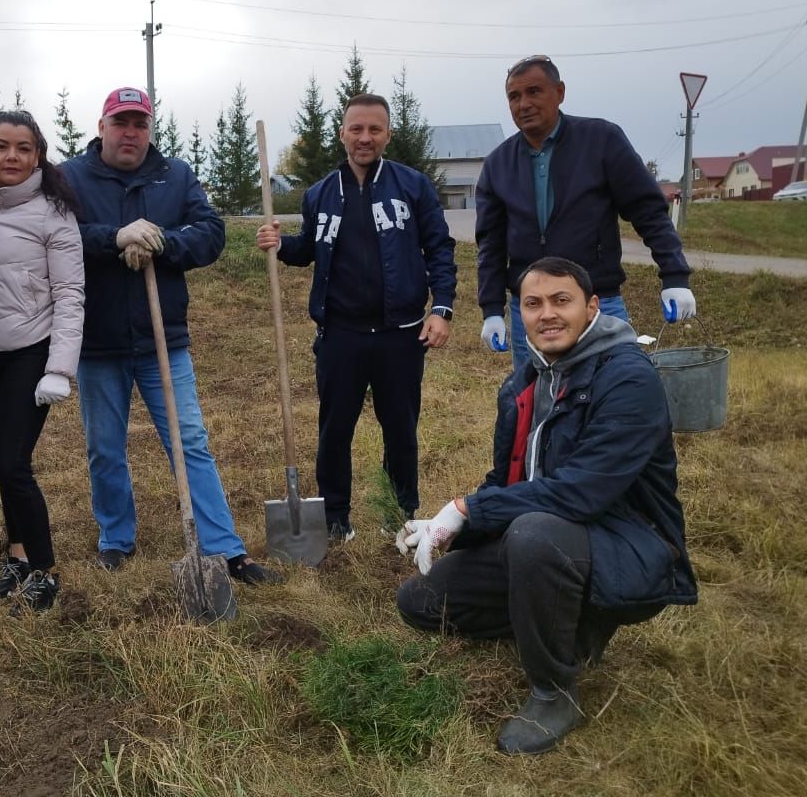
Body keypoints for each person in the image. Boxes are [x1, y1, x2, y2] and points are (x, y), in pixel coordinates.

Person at [395, 256, 697, 755]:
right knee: (421, 602)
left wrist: (467, 508)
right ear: (520, 315)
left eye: (562, 300)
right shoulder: (523, 383)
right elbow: (506, 479)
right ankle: (559, 624)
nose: (547, 314)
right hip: (545, 541)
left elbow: (583, 492)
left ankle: (555, 691)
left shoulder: (627, 377)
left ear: (592, 307)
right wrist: (451, 528)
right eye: (533, 304)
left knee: (535, 532)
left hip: (631, 548)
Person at [60, 86, 280, 584]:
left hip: (165, 338)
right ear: (102, 128)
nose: (130, 133)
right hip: (98, 339)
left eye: (140, 124)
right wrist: (114, 238)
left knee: (190, 442)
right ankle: (116, 538)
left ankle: (224, 548)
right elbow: (60, 236)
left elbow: (211, 232)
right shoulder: (71, 178)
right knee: (104, 446)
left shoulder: (173, 174)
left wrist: (164, 243)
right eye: (121, 123)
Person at [256, 93, 456, 539]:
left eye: (374, 129)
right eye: (357, 129)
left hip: (400, 335)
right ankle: (333, 519)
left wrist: (440, 309)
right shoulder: (320, 193)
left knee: (401, 431)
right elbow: (308, 247)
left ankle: (399, 515)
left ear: (388, 133)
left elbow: (440, 249)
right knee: (334, 433)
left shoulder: (412, 187)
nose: (365, 138)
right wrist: (280, 244)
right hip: (340, 335)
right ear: (342, 133)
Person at [475, 56, 696, 371]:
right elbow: (491, 245)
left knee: (616, 394)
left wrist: (675, 276)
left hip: (597, 303)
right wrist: (492, 309)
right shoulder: (497, 164)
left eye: (534, 91)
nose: (524, 104)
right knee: (539, 404)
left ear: (560, 92)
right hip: (534, 310)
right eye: (514, 96)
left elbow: (648, 211)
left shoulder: (602, 140)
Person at [0, 111, 84, 613]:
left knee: (13, 462)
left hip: (30, 351)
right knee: (4, 460)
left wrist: (60, 366)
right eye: (2, 146)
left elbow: (71, 293)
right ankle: (17, 553)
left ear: (38, 154)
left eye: (23, 148)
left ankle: (45, 570)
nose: (12, 157)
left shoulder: (54, 212)